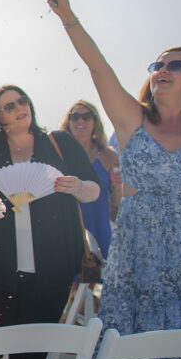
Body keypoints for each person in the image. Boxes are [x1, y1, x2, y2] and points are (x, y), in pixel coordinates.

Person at [46, 0, 181, 359]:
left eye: (175, 65)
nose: (162, 71)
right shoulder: (133, 122)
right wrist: (68, 18)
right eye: (157, 65)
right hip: (137, 255)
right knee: (128, 338)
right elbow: (99, 67)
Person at [0, 85, 99, 359]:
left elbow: (94, 190)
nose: (20, 107)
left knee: (32, 353)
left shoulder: (58, 142)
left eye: (22, 100)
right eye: (8, 107)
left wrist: (78, 187)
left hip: (51, 267)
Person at [60, 100, 120, 257]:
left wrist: (120, 186)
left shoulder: (109, 155)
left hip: (99, 225)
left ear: (95, 122)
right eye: (75, 117)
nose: (80, 121)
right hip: (66, 228)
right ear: (69, 122)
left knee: (100, 277)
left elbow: (117, 201)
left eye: (87, 116)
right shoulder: (57, 154)